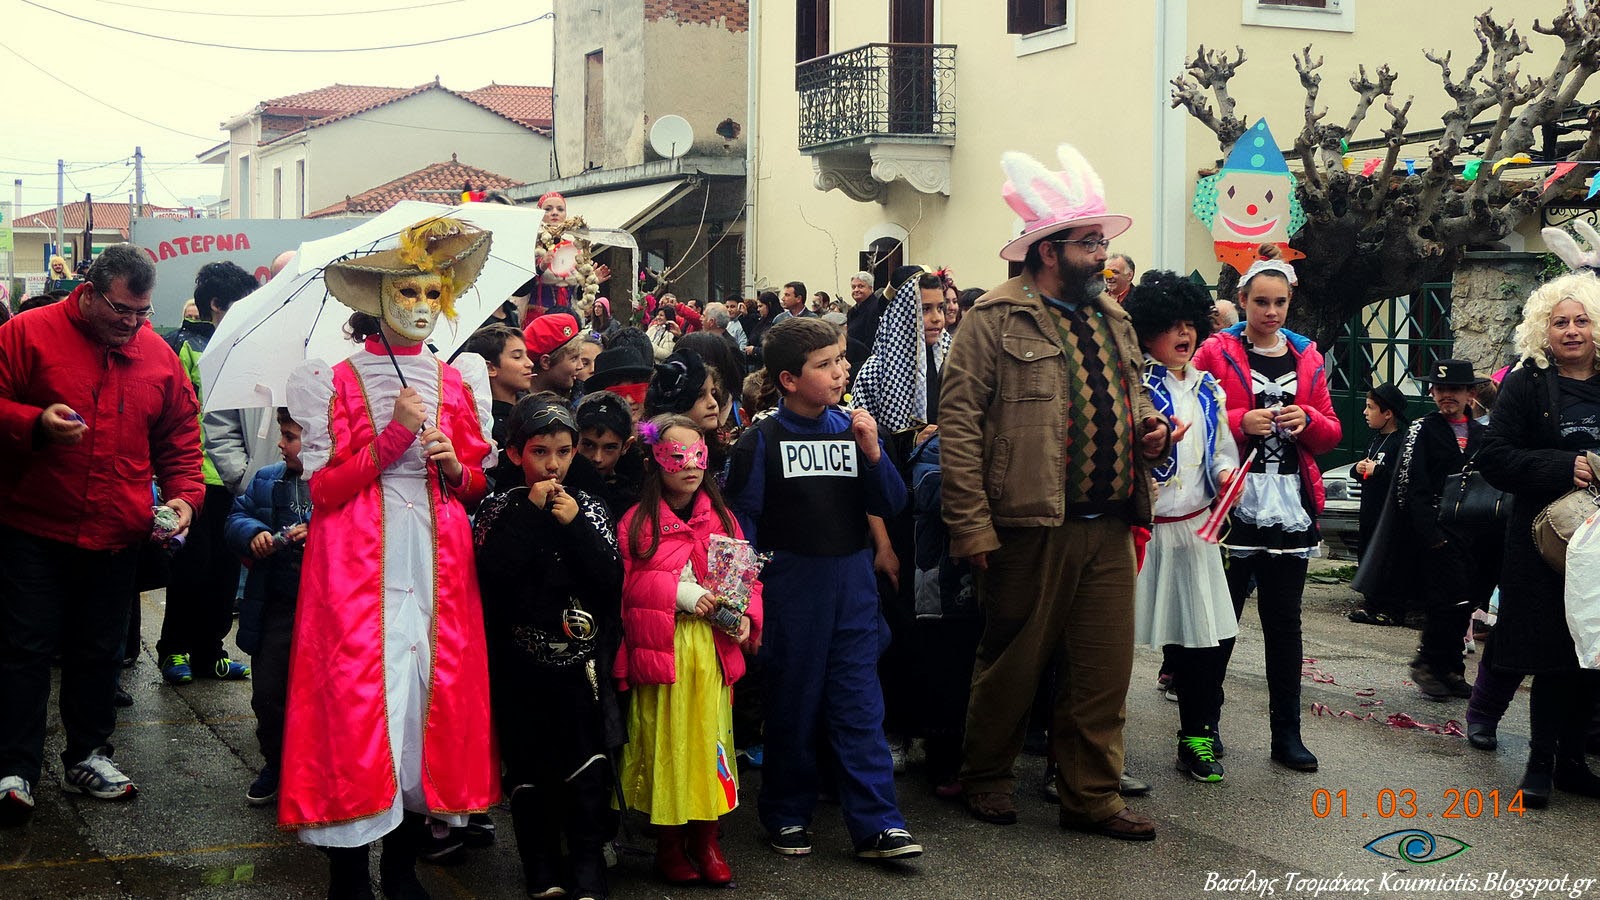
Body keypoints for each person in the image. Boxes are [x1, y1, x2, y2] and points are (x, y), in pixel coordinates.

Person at [940, 144, 1170, 841]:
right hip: (1028, 525)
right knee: (1013, 663)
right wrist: (972, 528)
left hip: (1109, 522)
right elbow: (959, 424)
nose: (1103, 254)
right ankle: (985, 777)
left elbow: (1131, 399)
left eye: (1103, 242)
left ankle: (1092, 797)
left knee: (1102, 672)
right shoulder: (994, 319)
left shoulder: (1113, 319)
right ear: (1048, 251)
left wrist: (1153, 430)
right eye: (1091, 242)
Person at [280, 218, 499, 897]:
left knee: (421, 709)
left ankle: (402, 869)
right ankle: (350, 874)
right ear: (376, 297)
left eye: (433, 290)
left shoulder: (458, 376)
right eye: (406, 290)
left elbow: (476, 483)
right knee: (356, 707)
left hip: (437, 562)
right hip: (356, 565)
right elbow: (323, 488)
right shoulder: (331, 381)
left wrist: (455, 466)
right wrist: (392, 438)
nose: (419, 304)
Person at [0, 244, 203, 822]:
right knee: (24, 648)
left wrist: (186, 497)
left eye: (142, 313)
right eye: (121, 311)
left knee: (99, 651)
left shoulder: (157, 356)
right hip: (31, 524)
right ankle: (13, 767)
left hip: (117, 531)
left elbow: (180, 437)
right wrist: (33, 423)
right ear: (87, 292)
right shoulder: (25, 335)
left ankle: (88, 755)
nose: (132, 324)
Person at [725, 317, 923, 861]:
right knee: (794, 705)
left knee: (861, 706)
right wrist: (747, 605)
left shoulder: (853, 429)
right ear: (789, 379)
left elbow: (891, 502)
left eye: (841, 360)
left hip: (853, 586)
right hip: (792, 591)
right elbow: (743, 529)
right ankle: (787, 813)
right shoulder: (760, 440)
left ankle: (878, 822)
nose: (841, 371)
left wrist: (874, 451)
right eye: (826, 364)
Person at [1192, 252, 1341, 774]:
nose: (1271, 311)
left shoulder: (1308, 356)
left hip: (1289, 503)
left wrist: (1307, 420)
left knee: (1285, 624)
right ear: (1243, 301)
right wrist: (1241, 419)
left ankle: (1287, 733)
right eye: (1261, 302)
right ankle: (1203, 730)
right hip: (1232, 501)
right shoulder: (1216, 350)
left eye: (1279, 302)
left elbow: (1331, 432)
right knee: (1220, 621)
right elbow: (1196, 416)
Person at [474, 395, 623, 900]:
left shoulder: (591, 507)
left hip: (579, 668)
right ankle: (540, 866)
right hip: (519, 666)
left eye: (563, 451)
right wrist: (533, 518)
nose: (553, 464)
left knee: (585, 768)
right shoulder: (498, 508)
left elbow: (609, 580)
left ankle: (587, 868)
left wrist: (575, 525)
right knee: (530, 769)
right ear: (516, 453)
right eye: (540, 452)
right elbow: (491, 576)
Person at [615, 414, 763, 887]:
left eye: (697, 454)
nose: (689, 465)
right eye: (676, 456)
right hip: (665, 653)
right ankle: (669, 843)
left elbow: (745, 576)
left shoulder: (723, 519)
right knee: (668, 744)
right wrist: (679, 594)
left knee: (710, 743)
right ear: (655, 461)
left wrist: (745, 617)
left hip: (712, 655)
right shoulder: (637, 523)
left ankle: (707, 838)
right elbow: (627, 590)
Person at [1478, 271, 1600, 808]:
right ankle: (1540, 766)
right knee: (1553, 655)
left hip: (1599, 546)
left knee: (1592, 652)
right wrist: (1562, 466)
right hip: (1545, 545)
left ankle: (1574, 761)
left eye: (1582, 320)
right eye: (1560, 322)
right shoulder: (1528, 381)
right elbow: (1494, 457)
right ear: (1542, 330)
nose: (1571, 331)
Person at [1124, 272, 1240, 783]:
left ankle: (1196, 740)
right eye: (1171, 325)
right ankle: (1091, 749)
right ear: (1147, 332)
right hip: (1141, 533)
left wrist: (1225, 473)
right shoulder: (1134, 388)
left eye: (1191, 324)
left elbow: (1219, 450)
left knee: (1201, 652)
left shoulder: (1208, 387)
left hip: (1196, 535)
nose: (1184, 334)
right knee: (1109, 649)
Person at [158, 261, 259, 685]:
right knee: (190, 570)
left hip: (235, 480)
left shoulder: (249, 347)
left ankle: (210, 651)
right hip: (196, 481)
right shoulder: (186, 348)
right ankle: (174, 650)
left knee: (224, 572)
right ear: (216, 305)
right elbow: (176, 416)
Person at [1396, 360, 1502, 700]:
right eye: (1440, 390)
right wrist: (1431, 535)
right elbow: (1414, 487)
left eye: (1454, 390)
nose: (1446, 396)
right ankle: (1428, 663)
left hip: (1474, 530)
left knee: (1465, 602)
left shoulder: (1484, 435)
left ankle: (1453, 670)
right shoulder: (1423, 430)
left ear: (1470, 393)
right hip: (1439, 530)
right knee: (1444, 602)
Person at [225, 408, 312, 808]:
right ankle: (275, 763)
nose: (281, 444)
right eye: (282, 433)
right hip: (276, 604)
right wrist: (255, 534)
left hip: (325, 611)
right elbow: (237, 516)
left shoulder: (342, 484)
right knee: (268, 693)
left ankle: (310, 768)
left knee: (316, 698)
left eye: (291, 436)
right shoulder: (268, 479)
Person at [1347, 383, 1410, 627]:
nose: (1365, 412)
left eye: (1371, 407)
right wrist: (1358, 468)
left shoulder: (1400, 441)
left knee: (1389, 559)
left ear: (1388, 413)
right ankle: (1371, 603)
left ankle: (1393, 609)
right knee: (1367, 554)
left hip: (1388, 513)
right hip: (1369, 511)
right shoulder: (1375, 440)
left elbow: (1401, 475)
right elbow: (1363, 468)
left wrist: (1379, 470)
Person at [462, 323, 534, 449]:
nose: (530, 363)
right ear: (490, 368)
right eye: (517, 357)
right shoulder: (485, 424)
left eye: (526, 355)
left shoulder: (533, 406)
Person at [577, 390, 645, 518]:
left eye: (609, 448)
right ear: (575, 439)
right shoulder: (560, 484)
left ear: (626, 446)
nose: (597, 458)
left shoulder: (636, 493)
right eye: (588, 445)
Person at [524, 311, 585, 400]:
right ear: (546, 362)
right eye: (574, 358)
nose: (581, 366)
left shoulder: (577, 393)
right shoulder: (518, 409)